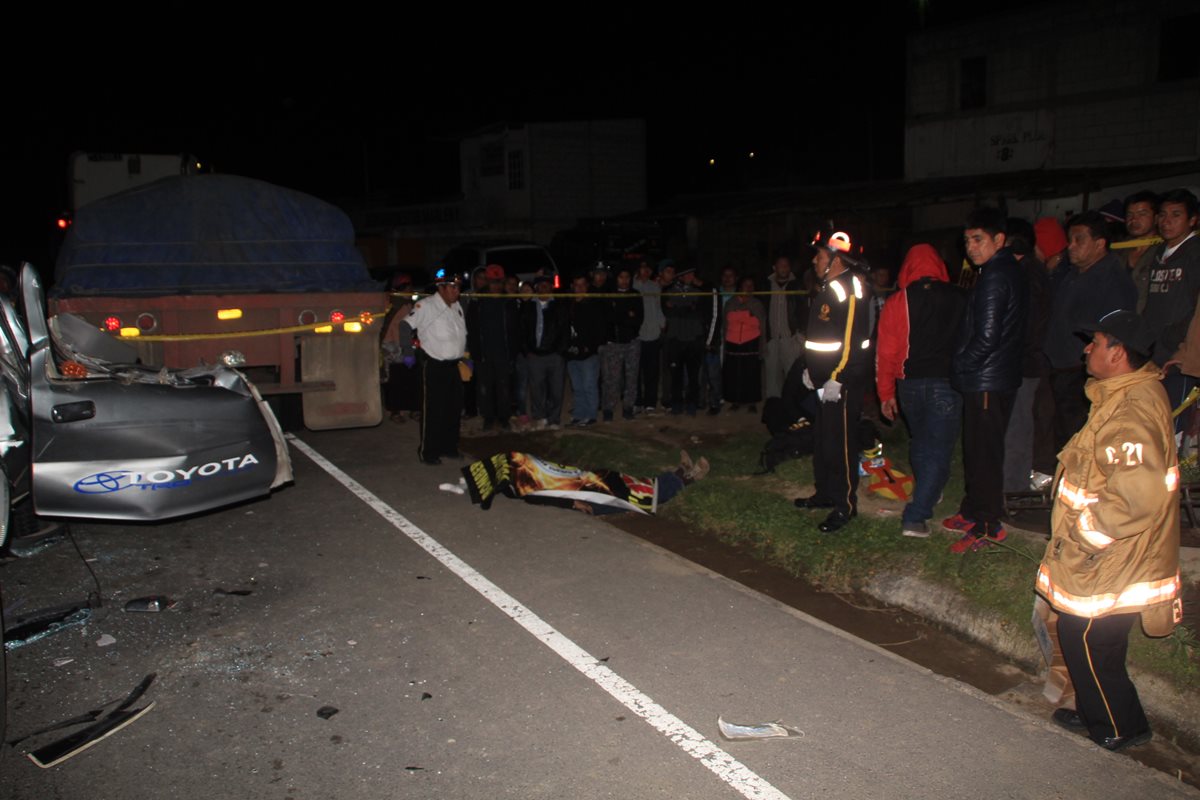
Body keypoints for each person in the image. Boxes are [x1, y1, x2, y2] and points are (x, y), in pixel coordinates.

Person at [1037, 310, 1182, 752]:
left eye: (1095, 342)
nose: (1087, 349)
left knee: (1088, 637)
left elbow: (1137, 496)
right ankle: (1100, 713)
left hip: (1114, 552)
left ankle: (1118, 725)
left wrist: (1086, 535)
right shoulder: (1123, 395)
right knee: (1094, 639)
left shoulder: (1132, 409)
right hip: (1115, 550)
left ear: (1117, 353)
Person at [943, 208, 1027, 551]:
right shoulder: (1001, 269)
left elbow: (987, 336)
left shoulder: (996, 275)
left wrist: (960, 365)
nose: (971, 247)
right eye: (967, 241)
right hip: (991, 375)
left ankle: (989, 524)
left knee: (984, 453)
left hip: (988, 377)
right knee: (976, 449)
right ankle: (973, 510)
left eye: (978, 240)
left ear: (999, 240)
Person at [875, 244, 966, 537]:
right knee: (938, 448)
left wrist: (885, 393)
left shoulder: (897, 301)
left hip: (909, 385)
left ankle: (929, 489)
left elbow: (886, 354)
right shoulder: (962, 297)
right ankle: (916, 516)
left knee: (923, 442)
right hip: (946, 385)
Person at [793, 231, 873, 534]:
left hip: (841, 383)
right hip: (822, 380)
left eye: (821, 256)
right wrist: (810, 370)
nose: (815, 260)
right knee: (823, 440)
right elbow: (821, 338)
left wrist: (837, 379)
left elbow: (852, 342)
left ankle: (845, 505)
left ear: (836, 260)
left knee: (840, 444)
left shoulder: (849, 288)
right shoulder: (828, 287)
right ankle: (825, 493)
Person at [1041, 211, 1138, 456]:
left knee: (1080, 427)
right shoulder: (1071, 272)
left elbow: (1116, 327)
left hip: (1085, 367)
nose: (1071, 247)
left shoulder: (1113, 278)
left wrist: (1096, 359)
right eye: (1070, 240)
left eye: (1079, 240)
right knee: (1060, 423)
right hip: (1060, 362)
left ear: (1099, 243)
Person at [1142, 188, 1200, 424]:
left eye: (1176, 215)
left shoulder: (1195, 254)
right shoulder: (1158, 253)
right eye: (1163, 215)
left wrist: (1183, 349)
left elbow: (1194, 308)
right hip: (1153, 350)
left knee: (1173, 425)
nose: (1167, 222)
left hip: (1178, 356)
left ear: (1192, 220)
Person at [405, 268, 468, 465]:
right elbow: (404, 326)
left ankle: (449, 447)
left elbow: (461, 335)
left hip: (453, 366)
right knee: (433, 410)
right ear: (441, 288)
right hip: (434, 365)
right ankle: (428, 452)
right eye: (453, 287)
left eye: (458, 287)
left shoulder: (457, 306)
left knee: (453, 409)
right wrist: (408, 353)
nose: (457, 291)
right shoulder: (426, 306)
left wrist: (467, 357)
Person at [466, 264, 520, 432]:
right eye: (492, 281)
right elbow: (471, 327)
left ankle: (504, 418)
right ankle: (488, 418)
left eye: (498, 281)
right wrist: (474, 351)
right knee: (485, 388)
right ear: (487, 281)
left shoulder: (509, 301)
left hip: (504, 352)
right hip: (483, 352)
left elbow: (517, 328)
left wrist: (514, 351)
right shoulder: (477, 301)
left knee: (504, 387)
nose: (495, 285)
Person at [520, 274, 569, 430]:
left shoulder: (560, 306)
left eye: (547, 285)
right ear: (536, 288)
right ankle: (540, 417)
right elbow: (521, 331)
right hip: (535, 356)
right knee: (537, 391)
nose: (544, 288)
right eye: (541, 286)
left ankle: (554, 419)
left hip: (555, 356)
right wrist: (527, 351)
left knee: (556, 390)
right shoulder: (527, 307)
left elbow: (565, 330)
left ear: (551, 287)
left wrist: (560, 351)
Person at [600, 267, 643, 421]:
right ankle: (608, 408)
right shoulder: (609, 294)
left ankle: (628, 407)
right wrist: (626, 315)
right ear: (616, 278)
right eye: (621, 277)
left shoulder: (635, 295)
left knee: (632, 377)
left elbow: (638, 320)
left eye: (627, 277)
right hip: (613, 343)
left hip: (632, 341)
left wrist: (621, 315)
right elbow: (608, 318)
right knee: (612, 378)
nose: (624, 280)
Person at [661, 265, 705, 415]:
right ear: (680, 277)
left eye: (692, 274)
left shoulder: (699, 292)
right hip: (675, 338)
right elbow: (668, 311)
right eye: (687, 274)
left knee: (693, 375)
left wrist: (678, 307)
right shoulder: (668, 292)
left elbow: (698, 313)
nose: (690, 277)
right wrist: (686, 307)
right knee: (676, 374)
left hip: (693, 339)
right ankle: (676, 402)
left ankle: (692, 402)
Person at [762, 254, 807, 399]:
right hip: (772, 338)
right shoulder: (766, 285)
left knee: (792, 375)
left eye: (786, 265)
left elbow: (804, 311)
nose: (783, 268)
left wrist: (801, 335)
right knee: (772, 376)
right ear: (774, 268)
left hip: (791, 337)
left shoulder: (798, 285)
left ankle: (792, 407)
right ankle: (773, 408)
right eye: (780, 265)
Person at [566, 275, 606, 426]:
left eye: (583, 285)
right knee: (577, 387)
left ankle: (591, 416)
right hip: (571, 354)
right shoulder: (568, 305)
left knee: (589, 385)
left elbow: (600, 330)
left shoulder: (593, 305)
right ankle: (579, 415)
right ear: (572, 286)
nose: (580, 288)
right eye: (577, 285)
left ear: (587, 286)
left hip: (588, 354)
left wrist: (591, 347)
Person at [722, 276, 766, 412]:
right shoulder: (730, 302)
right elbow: (728, 320)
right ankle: (735, 401)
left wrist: (741, 316)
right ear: (740, 286)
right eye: (746, 285)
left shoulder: (757, 303)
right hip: (733, 341)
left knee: (751, 373)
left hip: (751, 341)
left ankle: (752, 402)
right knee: (734, 373)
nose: (749, 288)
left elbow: (760, 323)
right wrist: (748, 316)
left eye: (751, 285)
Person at [633, 260, 665, 414]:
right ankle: (637, 400)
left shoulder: (654, 286)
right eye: (642, 268)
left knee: (651, 371)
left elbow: (658, 307)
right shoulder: (632, 285)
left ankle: (650, 402)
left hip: (653, 333)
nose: (645, 271)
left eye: (648, 269)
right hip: (637, 334)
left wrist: (662, 323)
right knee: (635, 371)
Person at [1120, 190, 1160, 313]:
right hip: (1119, 321)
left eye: (1142, 214)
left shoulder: (1164, 250)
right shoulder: (1119, 250)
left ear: (1156, 218)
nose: (1134, 220)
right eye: (1129, 215)